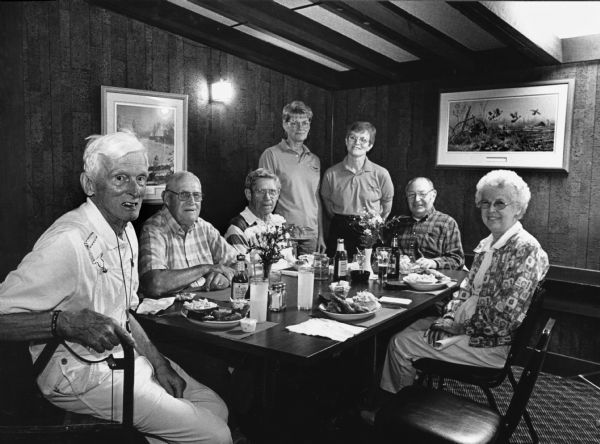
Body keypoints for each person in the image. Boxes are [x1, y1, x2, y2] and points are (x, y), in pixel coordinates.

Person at [0, 132, 232, 444]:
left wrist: (159, 363)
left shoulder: (126, 233)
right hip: (78, 374)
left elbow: (123, 312)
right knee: (215, 435)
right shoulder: (67, 241)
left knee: (215, 408)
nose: (135, 190)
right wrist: (63, 322)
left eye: (141, 178)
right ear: (89, 184)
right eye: (120, 177)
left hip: (123, 358)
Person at [374, 169, 549, 412]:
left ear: (518, 209)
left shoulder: (525, 249)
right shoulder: (489, 244)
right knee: (401, 329)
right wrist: (447, 317)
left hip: (490, 343)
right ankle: (403, 399)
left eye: (500, 203)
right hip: (467, 324)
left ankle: (395, 414)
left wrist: (458, 326)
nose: (491, 210)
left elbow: (504, 319)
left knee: (399, 344)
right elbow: (465, 289)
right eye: (485, 203)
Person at [139, 171, 238, 297]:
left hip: (207, 308)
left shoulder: (205, 227)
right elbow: (154, 284)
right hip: (172, 313)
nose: (192, 201)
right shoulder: (154, 229)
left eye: (197, 195)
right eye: (184, 195)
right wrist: (206, 269)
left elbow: (242, 264)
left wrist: (226, 277)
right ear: (167, 198)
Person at [259, 100, 325, 255]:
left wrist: (321, 235)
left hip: (311, 235)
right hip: (284, 234)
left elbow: (316, 199)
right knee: (285, 277)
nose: (300, 127)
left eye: (305, 123)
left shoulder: (314, 160)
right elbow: (263, 196)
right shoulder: (271, 155)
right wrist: (267, 234)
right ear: (285, 125)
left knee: (310, 278)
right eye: (294, 123)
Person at [320, 121, 394, 257]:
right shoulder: (331, 174)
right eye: (352, 138)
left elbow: (386, 206)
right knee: (337, 272)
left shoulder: (381, 174)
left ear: (370, 146)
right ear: (346, 141)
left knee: (368, 272)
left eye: (363, 140)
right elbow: (328, 206)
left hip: (369, 232)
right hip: (339, 230)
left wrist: (373, 224)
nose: (357, 143)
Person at [393, 177, 465, 270]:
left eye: (422, 194)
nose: (417, 199)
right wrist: (396, 259)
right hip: (398, 281)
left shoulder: (446, 223)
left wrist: (433, 263)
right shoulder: (397, 223)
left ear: (433, 195)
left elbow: (457, 260)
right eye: (411, 195)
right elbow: (383, 253)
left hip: (432, 281)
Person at [225, 168, 285, 254]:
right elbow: (241, 266)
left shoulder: (278, 222)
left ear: (278, 194)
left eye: (272, 192)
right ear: (248, 194)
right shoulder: (238, 228)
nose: (267, 197)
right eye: (261, 191)